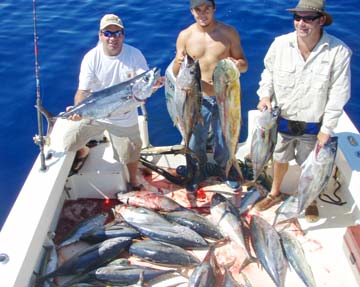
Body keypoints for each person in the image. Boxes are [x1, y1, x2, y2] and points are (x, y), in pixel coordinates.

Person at [254, 0, 352, 222]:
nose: (301, 23)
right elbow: (267, 74)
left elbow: (339, 94)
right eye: (297, 18)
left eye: (308, 18)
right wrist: (265, 95)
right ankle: (274, 193)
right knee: (279, 159)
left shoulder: (339, 52)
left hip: (313, 125)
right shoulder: (280, 44)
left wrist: (327, 128)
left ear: (321, 20)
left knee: (311, 167)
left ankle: (310, 200)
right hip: (281, 121)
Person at [63, 14, 159, 192]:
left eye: (117, 33)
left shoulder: (134, 54)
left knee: (129, 156)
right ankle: (84, 150)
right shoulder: (91, 57)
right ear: (100, 35)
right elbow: (83, 91)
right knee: (68, 142)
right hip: (95, 114)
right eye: (108, 33)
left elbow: (142, 85)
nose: (112, 38)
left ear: (123, 35)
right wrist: (78, 109)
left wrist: (153, 86)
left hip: (124, 118)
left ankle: (133, 181)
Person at [172, 0, 248, 191]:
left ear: (214, 9)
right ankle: (196, 170)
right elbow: (176, 72)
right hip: (197, 99)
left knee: (225, 139)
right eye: (198, 10)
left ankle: (226, 169)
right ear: (192, 11)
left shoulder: (228, 33)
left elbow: (244, 64)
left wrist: (238, 65)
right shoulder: (185, 36)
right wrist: (177, 62)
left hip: (225, 98)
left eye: (207, 9)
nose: (203, 14)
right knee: (195, 140)